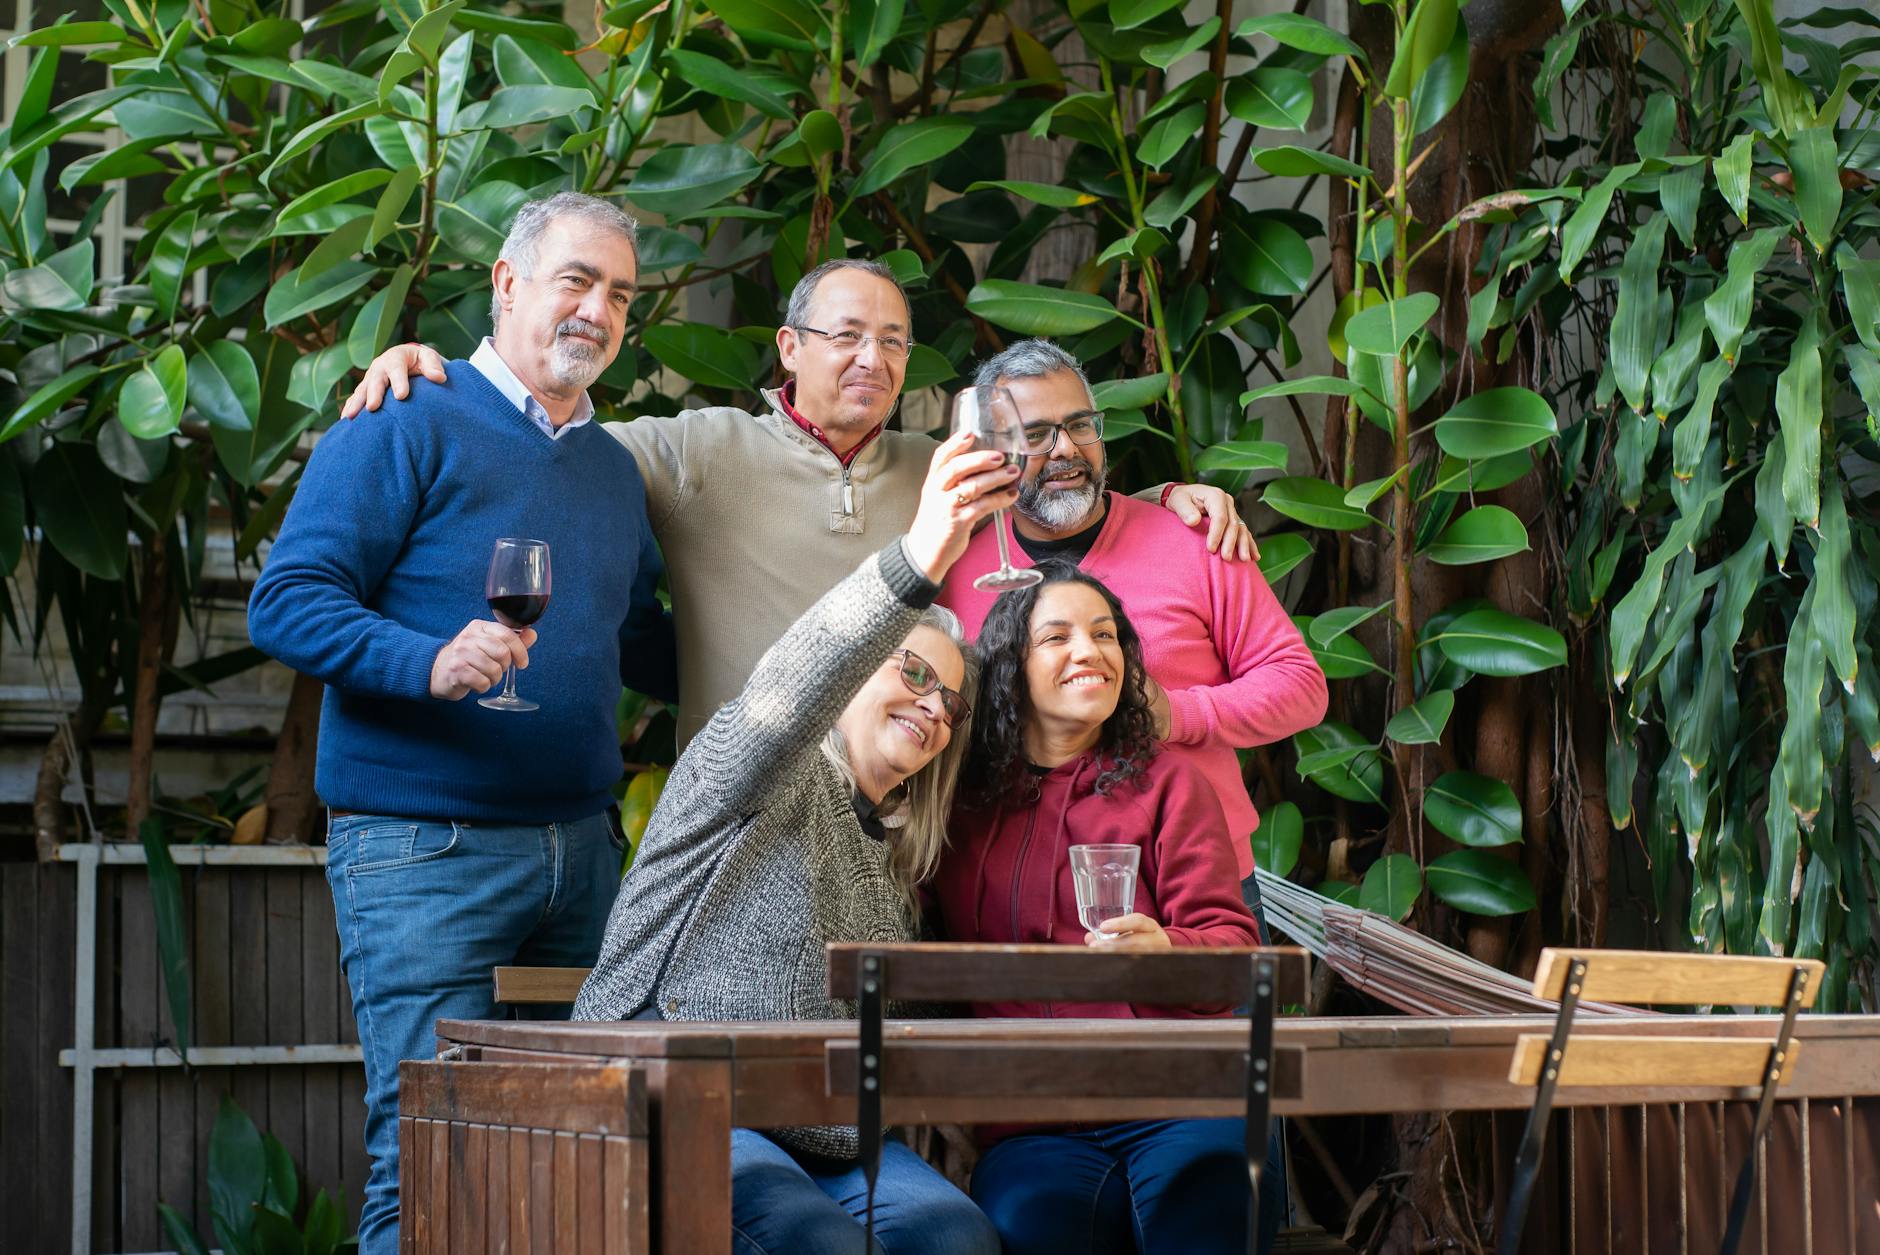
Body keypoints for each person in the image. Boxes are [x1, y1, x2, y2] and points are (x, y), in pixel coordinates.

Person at [246, 192, 675, 1255]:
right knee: (431, 1162)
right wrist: (427, 661)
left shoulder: (612, 469)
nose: (598, 310)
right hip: (424, 853)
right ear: (507, 283)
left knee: (577, 1165)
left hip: (581, 857)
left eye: (620, 294)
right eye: (576, 280)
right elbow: (287, 601)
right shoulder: (403, 415)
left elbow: (638, 642)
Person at [344, 259, 1259, 747]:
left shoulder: (941, 467)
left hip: (905, 808)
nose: (873, 359)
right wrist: (442, 378)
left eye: (894, 342)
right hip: (742, 811)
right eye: (847, 335)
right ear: (790, 347)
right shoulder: (698, 448)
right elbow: (544, 444)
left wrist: (1171, 497)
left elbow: (1062, 497)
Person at [572, 431, 1015, 1255]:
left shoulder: (893, 858)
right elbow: (798, 678)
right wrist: (919, 558)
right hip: (677, 1088)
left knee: (958, 1236)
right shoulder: (753, 764)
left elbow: (916, 1019)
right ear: (855, 673)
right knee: (815, 1241)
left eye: (950, 702)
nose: (933, 705)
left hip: (826, 1136)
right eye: (914, 672)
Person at [929, 562, 1266, 1255]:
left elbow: (1234, 951)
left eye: (1105, 634)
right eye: (1058, 637)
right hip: (1032, 1122)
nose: (1090, 651)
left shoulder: (1171, 783)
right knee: (1031, 1224)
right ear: (1011, 667)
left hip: (1177, 1099)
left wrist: (1166, 949)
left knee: (1207, 1204)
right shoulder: (960, 801)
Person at [937, 338, 1329, 912]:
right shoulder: (960, 573)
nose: (1067, 449)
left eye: (1080, 425)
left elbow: (1301, 686)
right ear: (994, 450)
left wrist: (1178, 714)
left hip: (1198, 884)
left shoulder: (1195, 539)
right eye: (1037, 434)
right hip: (1020, 897)